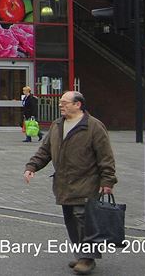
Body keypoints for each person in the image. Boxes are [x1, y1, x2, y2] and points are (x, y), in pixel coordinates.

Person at [23, 91, 116, 276]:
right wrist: (31, 166)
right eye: (60, 103)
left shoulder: (93, 126)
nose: (61, 105)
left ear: (78, 104)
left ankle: (87, 258)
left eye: (65, 103)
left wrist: (108, 180)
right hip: (64, 183)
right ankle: (82, 254)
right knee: (71, 221)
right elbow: (45, 151)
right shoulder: (57, 125)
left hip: (87, 182)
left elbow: (106, 156)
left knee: (83, 220)